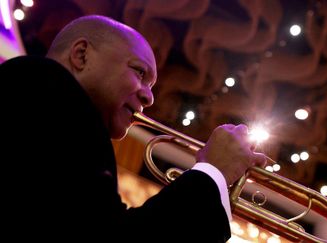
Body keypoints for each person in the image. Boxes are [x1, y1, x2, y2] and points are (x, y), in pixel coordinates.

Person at [0, 15, 266, 242]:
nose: (149, 98)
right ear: (81, 55)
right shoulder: (44, 85)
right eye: (140, 72)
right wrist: (212, 172)